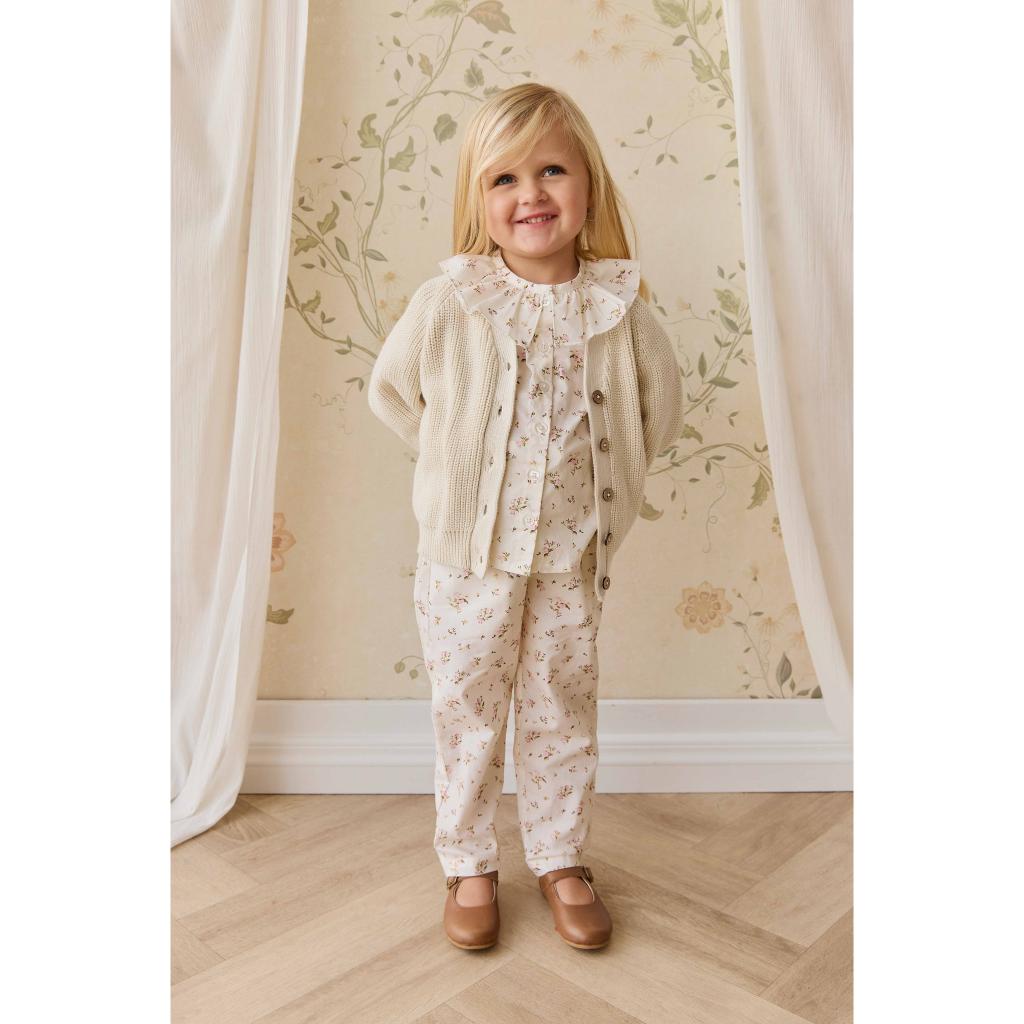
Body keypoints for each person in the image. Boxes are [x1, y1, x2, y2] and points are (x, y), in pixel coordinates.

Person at [368, 83, 683, 951]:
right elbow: (394, 394)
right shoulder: (451, 304)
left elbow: (656, 412)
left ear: (589, 186)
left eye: (551, 170)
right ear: (479, 200)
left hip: (569, 560)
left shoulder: (620, 312)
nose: (531, 194)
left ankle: (559, 855)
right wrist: (455, 470)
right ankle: (469, 862)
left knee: (559, 707)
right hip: (465, 564)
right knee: (468, 709)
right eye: (504, 178)